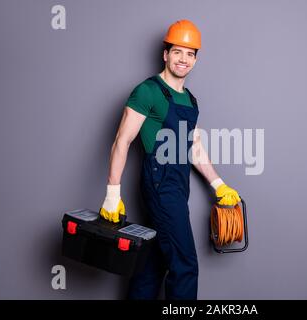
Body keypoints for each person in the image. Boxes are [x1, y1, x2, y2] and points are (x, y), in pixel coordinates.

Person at [99, 19, 241, 300]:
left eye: (190, 54)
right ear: (165, 54)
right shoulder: (147, 91)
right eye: (177, 51)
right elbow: (121, 141)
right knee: (185, 264)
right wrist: (112, 194)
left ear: (196, 60)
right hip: (159, 184)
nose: (183, 59)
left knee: (156, 261)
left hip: (179, 186)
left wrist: (220, 185)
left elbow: (194, 148)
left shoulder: (191, 100)